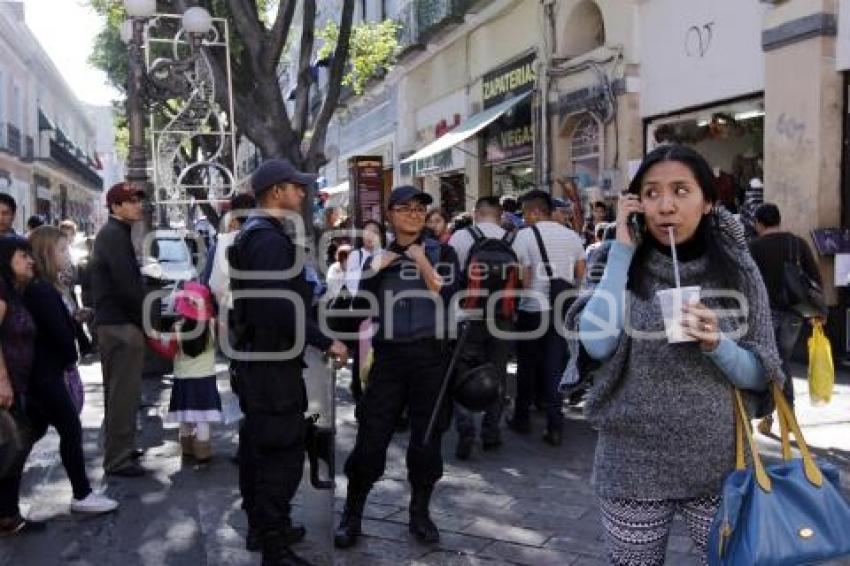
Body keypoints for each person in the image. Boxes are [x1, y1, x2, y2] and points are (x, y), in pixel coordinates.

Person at [562, 145, 784, 564]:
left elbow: (761, 372)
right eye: (651, 193)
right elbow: (596, 344)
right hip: (630, 461)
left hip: (720, 463)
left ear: (708, 202)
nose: (665, 205)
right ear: (636, 202)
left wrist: (719, 345)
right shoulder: (612, 259)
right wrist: (622, 252)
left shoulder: (738, 268)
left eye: (681, 190)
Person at [229, 158, 346, 564]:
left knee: (264, 449)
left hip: (263, 360)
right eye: (296, 187)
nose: (302, 193)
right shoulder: (267, 240)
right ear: (276, 191)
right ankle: (273, 546)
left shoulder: (259, 235)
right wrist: (324, 339)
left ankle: (267, 529)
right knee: (280, 453)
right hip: (270, 365)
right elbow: (278, 307)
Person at [335, 185, 460, 549]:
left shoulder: (444, 252)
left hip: (431, 359)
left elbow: (451, 295)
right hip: (388, 358)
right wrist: (376, 268)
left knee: (427, 442)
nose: (413, 214)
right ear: (390, 214)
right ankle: (352, 513)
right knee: (371, 439)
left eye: (420, 208)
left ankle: (419, 513)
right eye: (404, 208)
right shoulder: (376, 256)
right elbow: (358, 307)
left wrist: (423, 261)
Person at [25, 227, 119, 514]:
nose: (68, 255)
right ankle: (82, 494)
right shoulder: (41, 289)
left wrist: (73, 320)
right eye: (63, 250)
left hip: (46, 371)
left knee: (33, 430)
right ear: (46, 253)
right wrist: (71, 351)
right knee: (69, 428)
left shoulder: (51, 286)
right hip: (46, 372)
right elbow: (56, 331)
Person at [508, 190, 586, 446]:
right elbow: (580, 277)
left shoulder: (524, 236)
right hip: (561, 309)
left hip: (532, 309)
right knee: (554, 367)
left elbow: (524, 274)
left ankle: (522, 417)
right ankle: (555, 424)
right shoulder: (573, 237)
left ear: (535, 212)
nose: (523, 219)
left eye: (525, 214)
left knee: (527, 365)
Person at [447, 196, 516, 460]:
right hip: (503, 318)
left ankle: (465, 427)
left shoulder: (461, 238)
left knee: (459, 371)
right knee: (498, 374)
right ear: (500, 216)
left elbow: (450, 279)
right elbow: (525, 279)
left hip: (468, 316)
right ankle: (491, 432)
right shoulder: (514, 239)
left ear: (476, 214)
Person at [749, 203, 825, 435]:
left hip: (765, 315)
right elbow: (815, 279)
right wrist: (819, 312)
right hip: (795, 314)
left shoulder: (754, 247)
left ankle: (777, 415)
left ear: (758, 223)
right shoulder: (797, 243)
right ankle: (780, 417)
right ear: (779, 220)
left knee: (771, 365)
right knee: (781, 362)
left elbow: (747, 284)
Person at [91, 182, 148, 477]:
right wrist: (145, 323)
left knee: (120, 394)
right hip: (120, 325)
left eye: (139, 199)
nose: (138, 205)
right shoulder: (114, 235)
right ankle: (118, 458)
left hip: (115, 323)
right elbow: (127, 287)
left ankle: (121, 448)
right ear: (115, 207)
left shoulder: (115, 234)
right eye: (131, 200)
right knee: (123, 395)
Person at [0, 237, 45, 535]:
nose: (30, 261)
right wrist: (2, 381)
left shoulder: (17, 291)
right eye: (22, 255)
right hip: (7, 386)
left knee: (15, 446)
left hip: (20, 383)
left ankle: (8, 515)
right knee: (12, 446)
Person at [148, 283, 222, 463]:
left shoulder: (177, 327)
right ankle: (203, 452)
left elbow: (169, 352)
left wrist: (152, 340)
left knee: (185, 417)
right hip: (205, 379)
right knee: (203, 418)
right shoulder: (213, 325)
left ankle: (187, 448)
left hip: (183, 380)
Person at [342, 220, 386, 402]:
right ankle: (359, 389)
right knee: (362, 352)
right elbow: (352, 284)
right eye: (366, 232)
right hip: (360, 311)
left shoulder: (386, 256)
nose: (369, 236)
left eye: (374, 232)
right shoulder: (355, 255)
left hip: (382, 311)